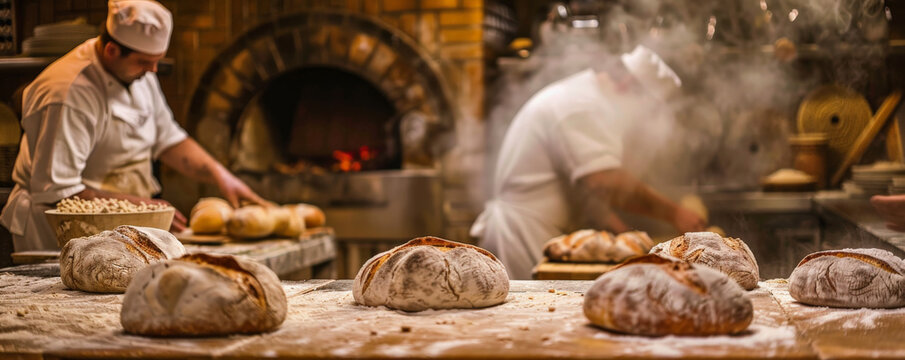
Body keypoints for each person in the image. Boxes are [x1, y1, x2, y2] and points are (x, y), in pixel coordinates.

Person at [1, 0, 264, 251]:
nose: (153, 70)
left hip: (117, 227)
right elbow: (60, 191)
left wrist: (222, 176)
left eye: (157, 60)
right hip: (58, 233)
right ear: (112, 51)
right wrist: (149, 212)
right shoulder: (67, 94)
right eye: (145, 62)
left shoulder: (138, 71)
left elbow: (168, 139)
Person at [470, 45, 708, 279]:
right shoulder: (582, 105)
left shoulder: (587, 97)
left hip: (539, 233)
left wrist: (625, 239)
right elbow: (604, 182)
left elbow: (589, 197)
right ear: (628, 86)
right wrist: (675, 213)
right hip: (522, 236)